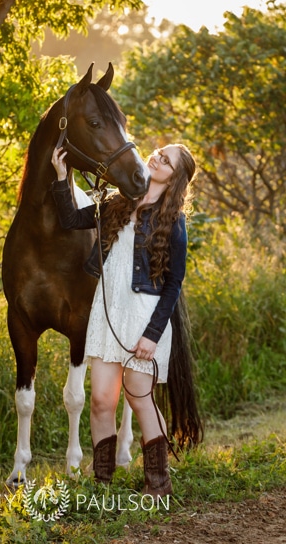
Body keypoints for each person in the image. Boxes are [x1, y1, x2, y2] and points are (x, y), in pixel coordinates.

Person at [50, 143, 196, 495]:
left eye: (165, 160)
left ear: (174, 176)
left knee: (138, 398)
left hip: (144, 319)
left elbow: (174, 283)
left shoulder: (173, 221)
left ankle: (159, 483)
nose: (156, 157)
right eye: (158, 151)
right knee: (101, 399)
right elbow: (70, 218)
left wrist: (152, 334)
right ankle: (102, 482)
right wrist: (61, 177)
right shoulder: (117, 202)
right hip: (108, 313)